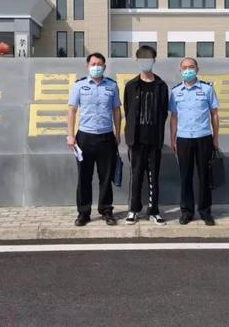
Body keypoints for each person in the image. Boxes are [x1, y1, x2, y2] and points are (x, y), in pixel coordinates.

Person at [67, 52, 121, 227]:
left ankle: (106, 210)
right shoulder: (79, 85)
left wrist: (118, 134)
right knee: (84, 177)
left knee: (105, 177)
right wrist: (70, 135)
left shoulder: (112, 86)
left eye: (99, 64)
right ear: (88, 66)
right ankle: (83, 213)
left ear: (104, 67)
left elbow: (117, 111)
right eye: (93, 64)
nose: (96, 67)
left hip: (106, 136)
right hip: (85, 137)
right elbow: (72, 110)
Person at [169, 57, 220, 226]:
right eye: (184, 67)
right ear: (180, 70)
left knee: (204, 176)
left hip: (203, 137)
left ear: (197, 69)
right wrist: (173, 138)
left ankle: (205, 211)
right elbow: (174, 117)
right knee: (185, 176)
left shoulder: (207, 89)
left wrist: (215, 138)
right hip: (183, 139)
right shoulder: (176, 91)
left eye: (191, 67)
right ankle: (187, 211)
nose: (188, 70)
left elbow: (214, 114)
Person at [123, 45, 169, 225]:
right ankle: (133, 210)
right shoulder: (131, 85)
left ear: (154, 60)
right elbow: (128, 110)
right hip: (136, 139)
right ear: (137, 60)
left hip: (154, 139)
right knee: (136, 175)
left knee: (153, 176)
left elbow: (164, 112)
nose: (145, 61)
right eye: (142, 58)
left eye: (148, 58)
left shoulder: (161, 86)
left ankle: (154, 210)